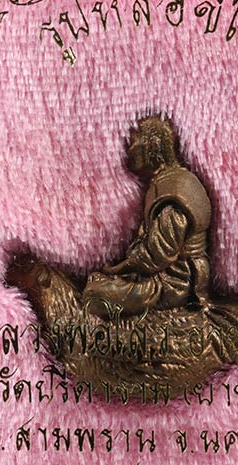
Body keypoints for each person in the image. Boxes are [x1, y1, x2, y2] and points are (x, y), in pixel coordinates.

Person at [83, 116, 212, 318]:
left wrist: (120, 269)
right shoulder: (166, 182)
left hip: (176, 283)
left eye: (135, 142)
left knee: (95, 296)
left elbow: (159, 254)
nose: (130, 150)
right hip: (160, 274)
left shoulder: (175, 190)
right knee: (98, 284)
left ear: (152, 147)